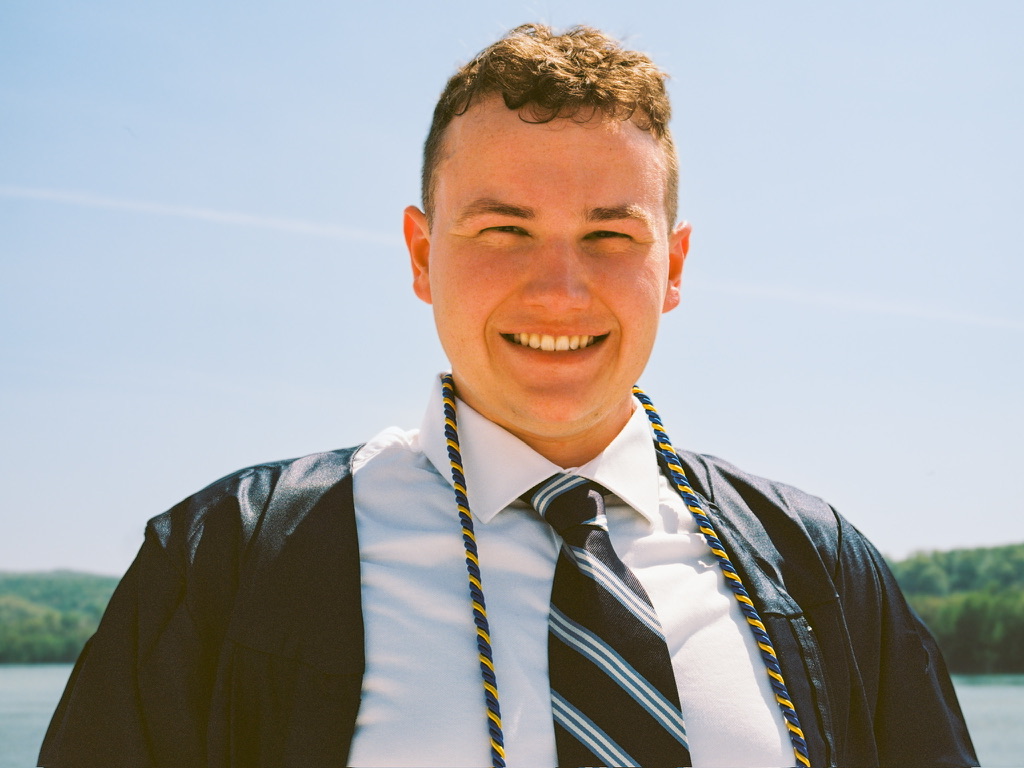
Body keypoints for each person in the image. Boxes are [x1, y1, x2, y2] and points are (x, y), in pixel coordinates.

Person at [39, 23, 976, 768]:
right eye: (503, 229)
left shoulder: (821, 575)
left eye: (611, 235)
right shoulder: (224, 568)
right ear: (421, 254)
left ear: (676, 266)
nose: (560, 290)